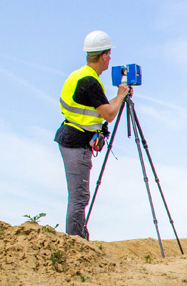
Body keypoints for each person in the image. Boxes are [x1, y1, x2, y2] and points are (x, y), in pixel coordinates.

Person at [55, 30, 129, 239]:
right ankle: (76, 243)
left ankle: (79, 238)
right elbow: (109, 114)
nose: (110, 59)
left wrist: (118, 97)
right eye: (109, 55)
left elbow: (101, 110)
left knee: (79, 196)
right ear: (104, 56)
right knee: (79, 197)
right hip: (75, 143)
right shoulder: (90, 82)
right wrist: (121, 95)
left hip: (71, 137)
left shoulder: (80, 75)